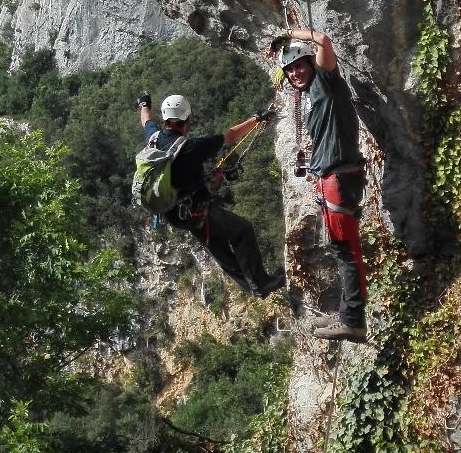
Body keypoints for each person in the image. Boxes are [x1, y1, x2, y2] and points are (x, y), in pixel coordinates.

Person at [137, 92, 284, 298]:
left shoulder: (153, 137)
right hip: (195, 210)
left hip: (173, 213)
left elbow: (145, 120)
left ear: (165, 119)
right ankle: (261, 283)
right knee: (242, 231)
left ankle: (252, 286)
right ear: (186, 119)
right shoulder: (190, 146)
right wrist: (257, 119)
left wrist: (144, 103)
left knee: (219, 246)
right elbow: (231, 136)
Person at [274, 28, 368, 343]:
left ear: (312, 65)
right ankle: (349, 316)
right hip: (333, 177)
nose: (295, 73)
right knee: (343, 249)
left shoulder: (326, 82)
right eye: (290, 70)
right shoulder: (313, 98)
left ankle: (353, 320)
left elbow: (324, 40)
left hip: (340, 178)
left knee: (347, 251)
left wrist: (288, 32)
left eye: (300, 65)